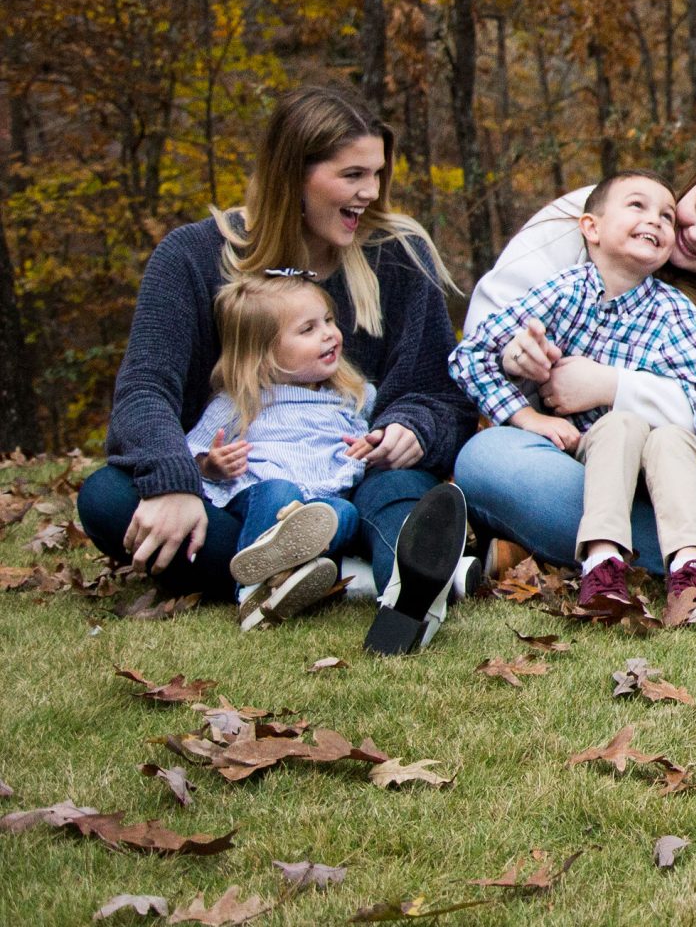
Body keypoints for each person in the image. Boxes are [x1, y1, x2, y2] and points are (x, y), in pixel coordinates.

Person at [76, 85, 476, 657]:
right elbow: (145, 391)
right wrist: (176, 483)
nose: (371, 192)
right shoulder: (190, 257)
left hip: (362, 474)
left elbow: (440, 394)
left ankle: (396, 581)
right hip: (241, 484)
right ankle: (353, 578)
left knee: (396, 499)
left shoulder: (398, 255)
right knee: (107, 498)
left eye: (377, 175)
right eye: (352, 175)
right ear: (294, 174)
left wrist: (412, 429)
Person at [452, 150, 696, 576]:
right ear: (694, 181)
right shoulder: (614, 208)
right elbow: (486, 331)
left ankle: (573, 552)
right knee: (485, 458)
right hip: (572, 466)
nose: (694, 233)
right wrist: (517, 354)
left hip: (688, 473)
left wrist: (612, 386)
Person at [448, 174, 696, 623]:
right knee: (619, 425)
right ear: (591, 228)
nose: (656, 220)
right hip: (594, 462)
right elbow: (470, 355)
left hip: (666, 472)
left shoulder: (674, 311)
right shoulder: (564, 292)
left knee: (669, 437)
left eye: (666, 214)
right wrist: (527, 417)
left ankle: (691, 571)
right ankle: (603, 566)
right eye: (637, 206)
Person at [187, 270, 380, 630]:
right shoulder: (240, 402)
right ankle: (252, 591)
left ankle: (290, 580)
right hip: (265, 493)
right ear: (264, 355)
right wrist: (210, 465)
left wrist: (370, 446)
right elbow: (192, 449)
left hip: (318, 502)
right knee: (280, 491)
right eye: (308, 330)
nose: (328, 334)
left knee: (345, 514)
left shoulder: (350, 396)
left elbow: (376, 437)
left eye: (328, 321)